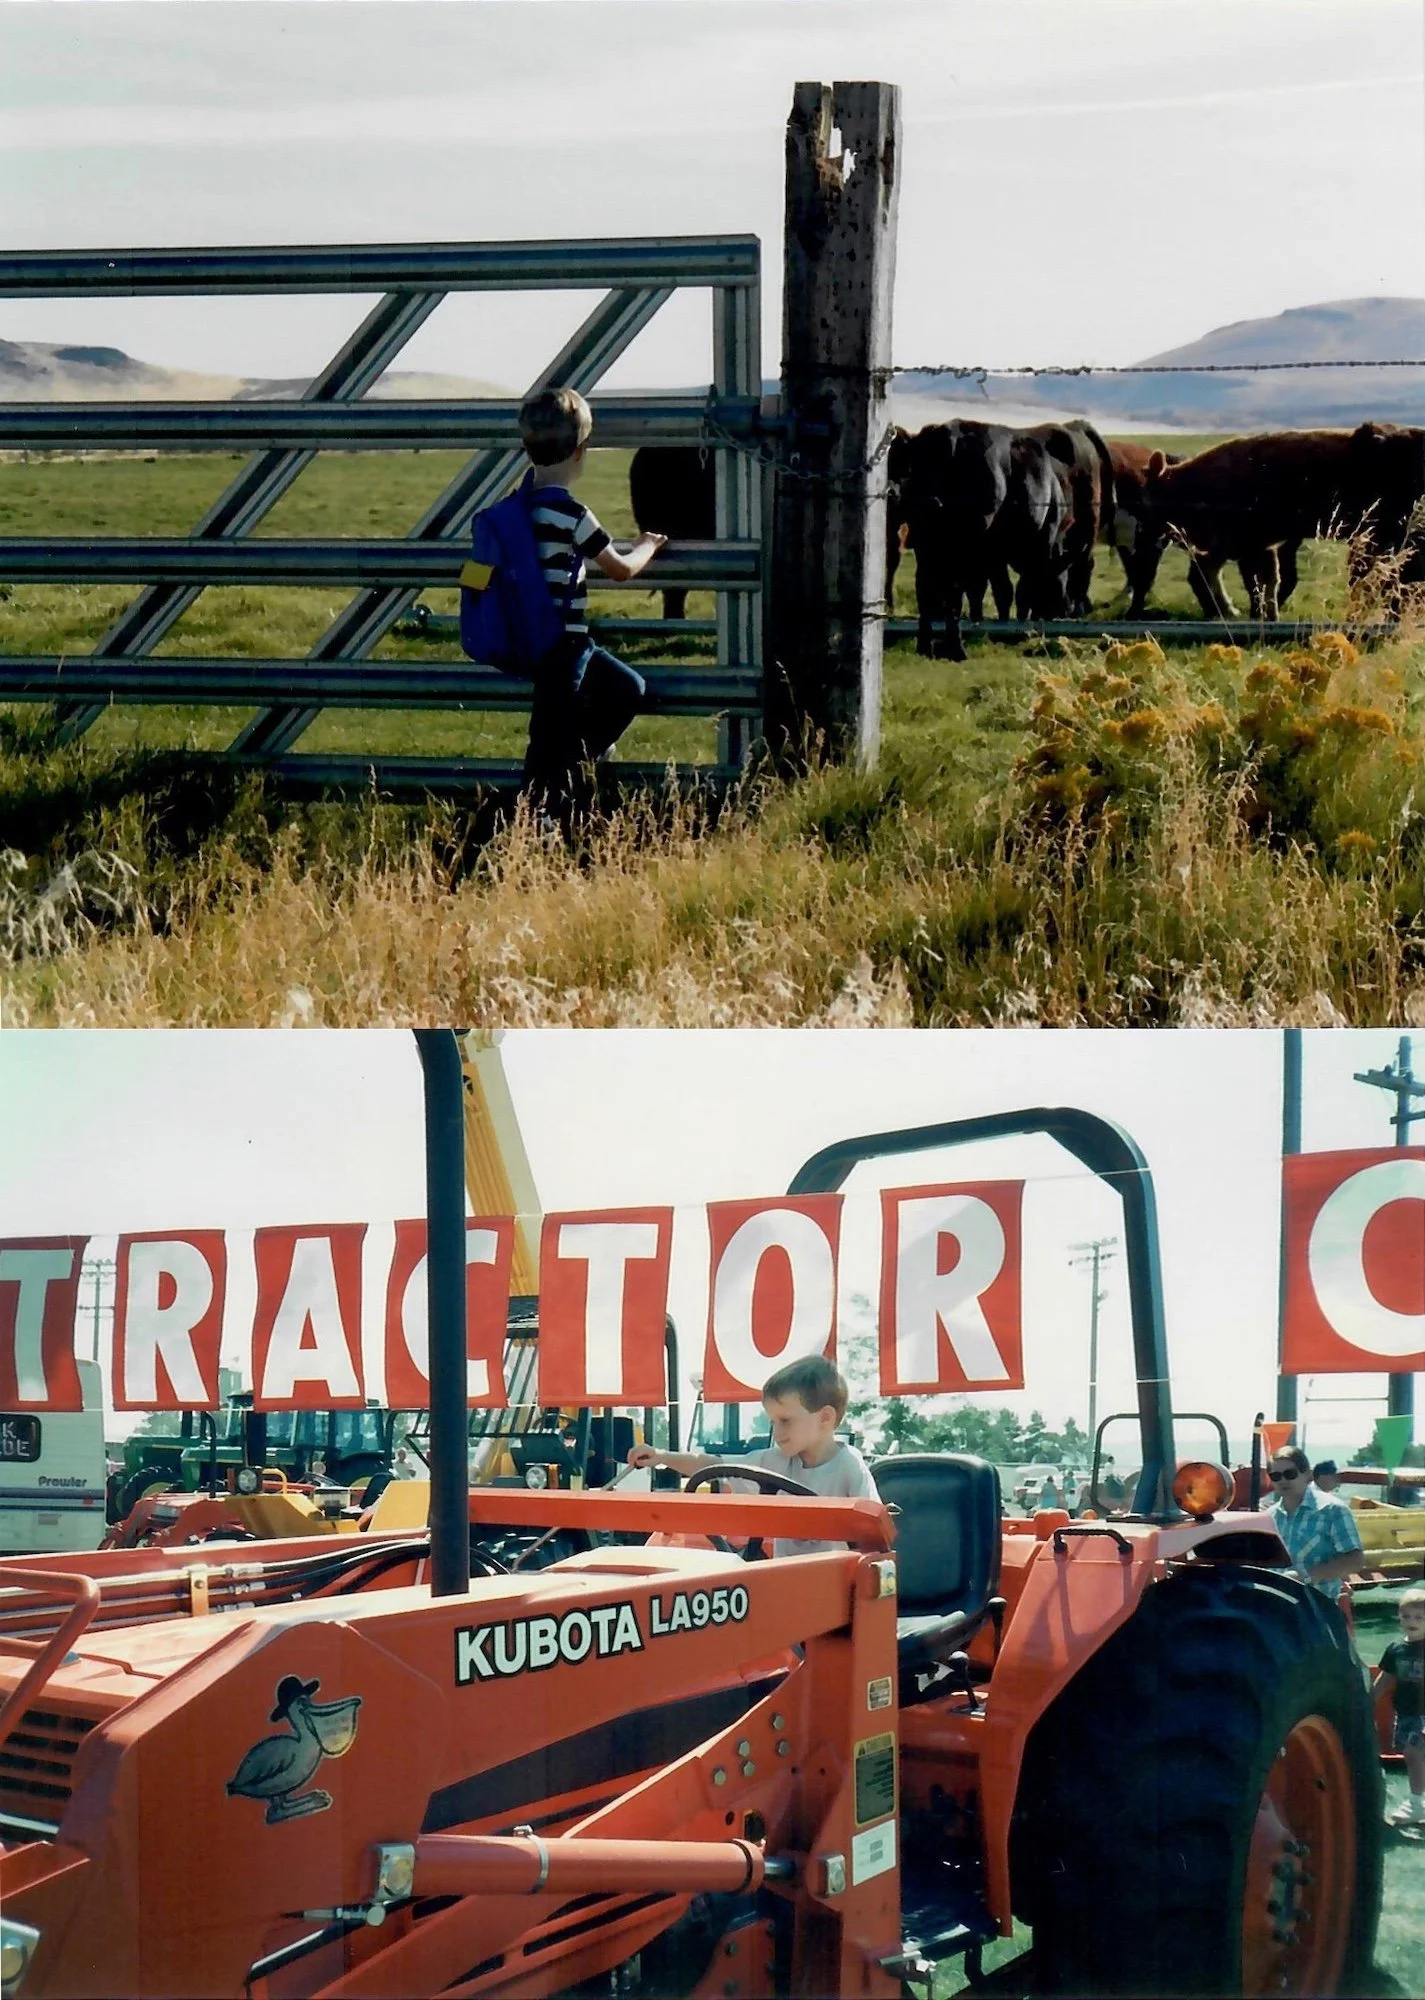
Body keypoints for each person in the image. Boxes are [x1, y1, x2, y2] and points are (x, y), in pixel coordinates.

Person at [515, 386, 667, 832]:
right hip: (563, 647)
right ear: (581, 452)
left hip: (542, 639)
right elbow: (619, 570)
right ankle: (533, 820)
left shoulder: (519, 507)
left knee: (623, 689)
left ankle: (559, 786)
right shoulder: (573, 514)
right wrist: (646, 546)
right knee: (547, 740)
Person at [626, 1354, 879, 1558]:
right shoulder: (774, 1462)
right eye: (773, 1422)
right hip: (787, 1583)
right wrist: (662, 1456)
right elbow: (712, 1465)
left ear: (825, 1417)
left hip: (839, 1589)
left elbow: (875, 1534)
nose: (777, 1433)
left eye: (785, 1421)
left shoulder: (849, 1466)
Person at [1265, 1446, 1368, 1603]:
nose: (1283, 1480)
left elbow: (1355, 1560)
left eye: (1290, 1474)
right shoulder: (1268, 1517)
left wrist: (1305, 1576)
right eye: (1276, 1476)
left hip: (1317, 1609)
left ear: (1307, 1474)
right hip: (1276, 1608)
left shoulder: (1332, 1510)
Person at [1377, 1587, 1425, 1825]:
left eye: (1419, 1617)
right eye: (1406, 1616)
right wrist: (1369, 1700)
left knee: (1414, 1753)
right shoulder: (1396, 1649)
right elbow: (1386, 1678)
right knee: (1412, 1756)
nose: (1411, 1621)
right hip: (1405, 1712)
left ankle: (1416, 1804)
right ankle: (1420, 1801)